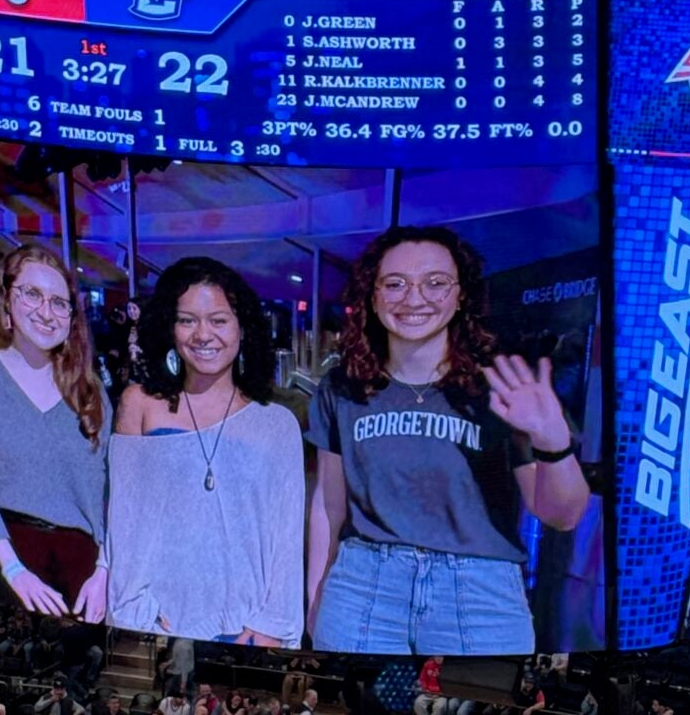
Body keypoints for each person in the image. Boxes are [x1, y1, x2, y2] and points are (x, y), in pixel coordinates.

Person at [306, 225, 590, 655]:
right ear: (373, 296)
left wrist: (552, 439)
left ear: (461, 296)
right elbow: (329, 506)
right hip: (363, 590)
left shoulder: (500, 387)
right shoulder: (343, 388)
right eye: (395, 284)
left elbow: (562, 515)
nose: (415, 298)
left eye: (436, 283)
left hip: (478, 598)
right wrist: (317, 596)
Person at [109, 257, 304, 646]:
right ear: (169, 327)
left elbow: (287, 538)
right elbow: (124, 520)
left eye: (218, 320)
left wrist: (272, 625)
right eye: (187, 320)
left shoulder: (277, 423)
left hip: (247, 626)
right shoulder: (139, 404)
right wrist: (131, 611)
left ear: (242, 328)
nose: (203, 335)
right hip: (157, 623)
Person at [0, 243, 109, 620]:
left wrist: (105, 570)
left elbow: (112, 489)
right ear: (7, 301)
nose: (46, 311)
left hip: (84, 571)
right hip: (7, 557)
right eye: (33, 294)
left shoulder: (91, 389)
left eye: (59, 302)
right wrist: (12, 569)